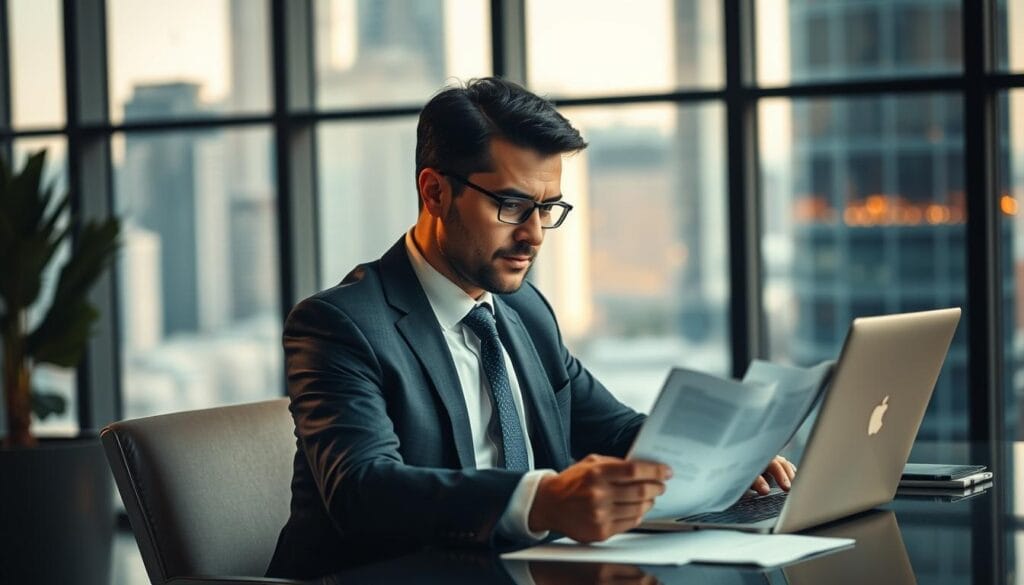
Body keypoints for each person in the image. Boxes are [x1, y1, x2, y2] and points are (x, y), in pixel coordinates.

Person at [266, 77, 796, 580]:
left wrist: (722, 458)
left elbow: (610, 430)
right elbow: (363, 492)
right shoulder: (341, 325)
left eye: (547, 209)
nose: (535, 235)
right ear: (435, 193)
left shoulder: (524, 313)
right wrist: (543, 500)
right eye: (513, 205)